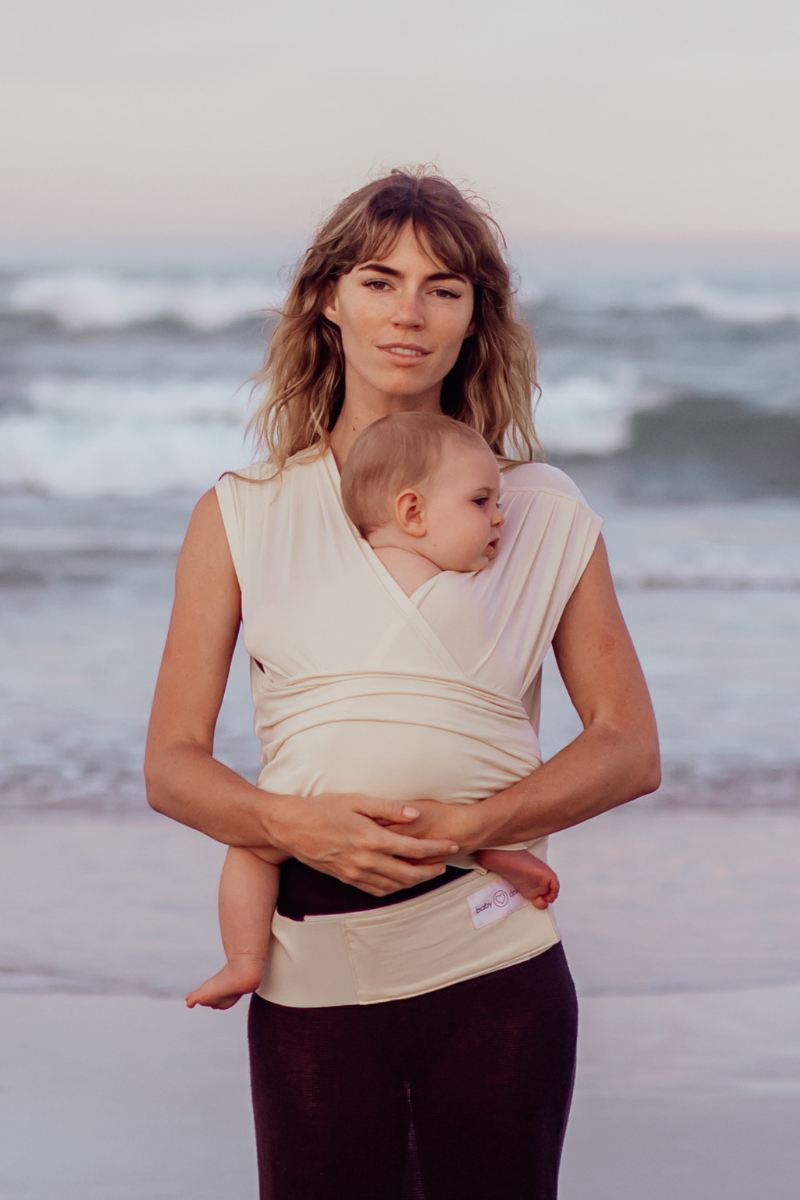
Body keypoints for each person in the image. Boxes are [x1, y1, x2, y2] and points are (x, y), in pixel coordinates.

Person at [145, 167, 660, 1200]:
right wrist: (294, 828)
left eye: (443, 288)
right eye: (379, 281)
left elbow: (626, 746)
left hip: (491, 966)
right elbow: (171, 766)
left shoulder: (536, 511)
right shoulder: (241, 513)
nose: (409, 314)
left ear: (477, 317)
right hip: (311, 976)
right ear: (326, 299)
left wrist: (478, 821)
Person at [185, 412, 560, 1011]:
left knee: (255, 849)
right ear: (412, 513)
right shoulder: (456, 588)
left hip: (360, 788)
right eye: (482, 501)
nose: (500, 519)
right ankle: (247, 958)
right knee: (264, 835)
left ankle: (244, 959)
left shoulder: (428, 583)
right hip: (400, 799)